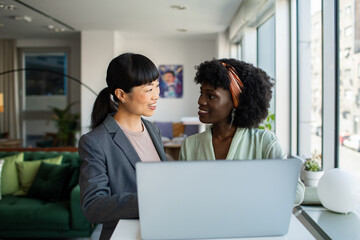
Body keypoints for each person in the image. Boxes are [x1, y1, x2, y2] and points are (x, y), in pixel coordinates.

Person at [179, 58, 305, 205]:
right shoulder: (190, 145)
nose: (201, 101)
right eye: (201, 93)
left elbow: (296, 193)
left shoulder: (264, 142)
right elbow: (183, 195)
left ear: (236, 101)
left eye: (211, 96)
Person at [78, 53, 168, 240]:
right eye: (149, 89)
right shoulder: (95, 142)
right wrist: (147, 201)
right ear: (121, 95)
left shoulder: (153, 130)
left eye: (157, 86)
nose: (156, 96)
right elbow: (93, 206)